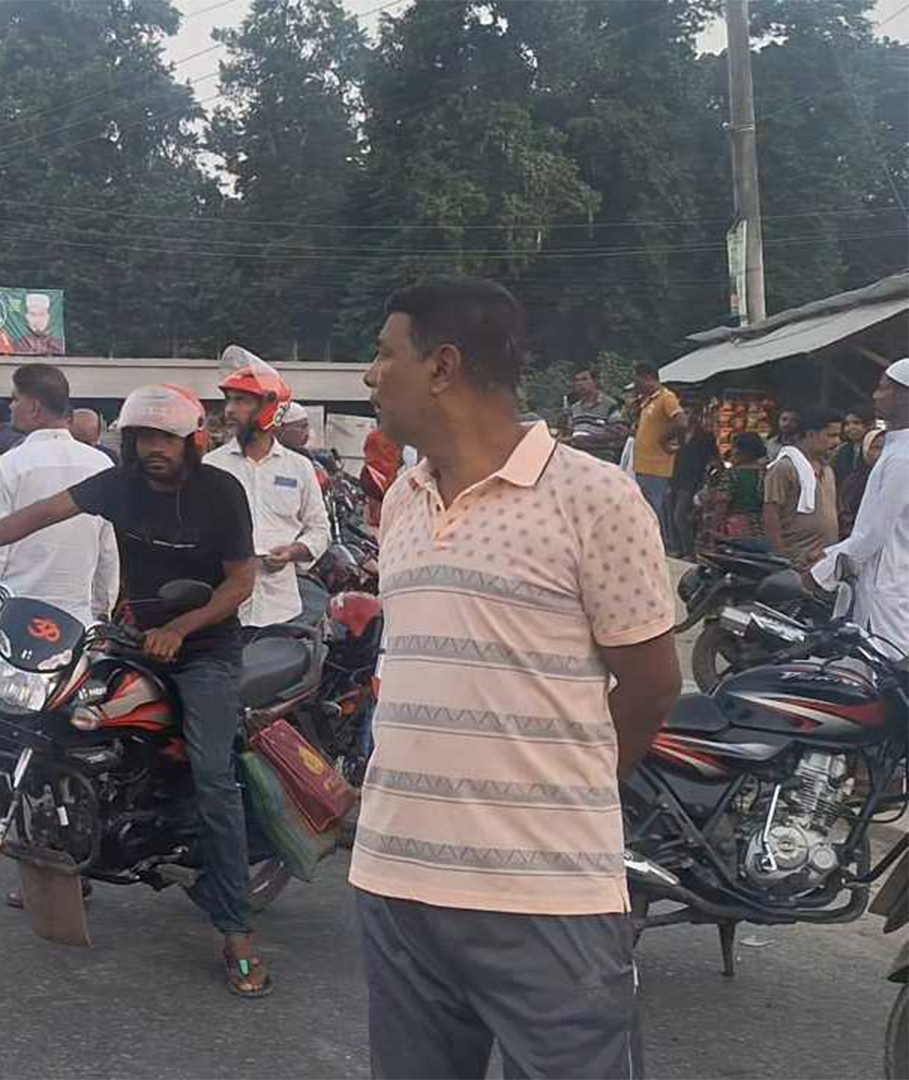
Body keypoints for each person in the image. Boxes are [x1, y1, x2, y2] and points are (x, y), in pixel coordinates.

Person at [353, 277, 681, 1079]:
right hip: (397, 883)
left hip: (547, 898)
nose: (370, 374)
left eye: (385, 354)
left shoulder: (595, 499)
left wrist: (559, 799)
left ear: (443, 367)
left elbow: (650, 686)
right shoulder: (403, 499)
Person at [0, 383, 268, 997]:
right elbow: (45, 511)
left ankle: (237, 930)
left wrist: (181, 628)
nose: (153, 449)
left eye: (165, 438)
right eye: (143, 438)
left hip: (204, 649)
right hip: (131, 636)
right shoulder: (123, 484)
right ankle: (71, 856)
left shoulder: (220, 492)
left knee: (213, 776)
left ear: (193, 441)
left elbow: (239, 584)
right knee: (60, 728)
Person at [0, 364, 119, 629]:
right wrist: (102, 614)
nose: (11, 407)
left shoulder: (12, 464)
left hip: (16, 617)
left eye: (15, 399)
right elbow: (107, 550)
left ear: (33, 407)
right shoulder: (101, 464)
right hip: (77, 621)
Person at [208, 361, 331, 632]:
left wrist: (292, 552)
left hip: (282, 612)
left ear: (269, 408)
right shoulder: (210, 466)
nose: (229, 410)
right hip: (222, 612)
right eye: (228, 400)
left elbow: (320, 529)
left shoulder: (299, 467)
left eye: (241, 401)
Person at [814, 359, 908, 652]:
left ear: (904, 396)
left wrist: (827, 565)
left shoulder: (903, 457)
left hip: (889, 586)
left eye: (883, 388)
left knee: (887, 667)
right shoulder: (896, 448)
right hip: (882, 582)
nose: (876, 395)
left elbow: (876, 533)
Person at [760, 406, 841, 568]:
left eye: (838, 436)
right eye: (831, 435)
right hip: (797, 561)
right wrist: (781, 559)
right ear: (810, 434)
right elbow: (771, 514)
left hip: (825, 560)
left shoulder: (827, 470)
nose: (837, 442)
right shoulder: (784, 468)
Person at [631, 364, 686, 544]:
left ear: (648, 377)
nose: (636, 385)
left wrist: (664, 440)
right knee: (646, 507)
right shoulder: (648, 401)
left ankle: (658, 544)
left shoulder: (666, 397)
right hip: (643, 465)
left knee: (653, 508)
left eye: (637, 381)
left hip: (656, 465)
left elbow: (681, 422)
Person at [701, 431, 768, 546]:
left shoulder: (732, 475)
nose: (732, 452)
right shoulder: (766, 474)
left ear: (744, 452)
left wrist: (713, 530)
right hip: (762, 528)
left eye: (734, 448)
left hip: (735, 529)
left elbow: (721, 504)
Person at [669, 404, 718, 558]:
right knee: (671, 515)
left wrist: (708, 479)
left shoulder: (706, 437)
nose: (685, 415)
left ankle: (689, 551)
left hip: (693, 480)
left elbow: (714, 459)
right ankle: (677, 548)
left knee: (680, 515)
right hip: (674, 477)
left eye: (688, 412)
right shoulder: (677, 433)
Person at [834, 407, 873, 485]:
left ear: (868, 425)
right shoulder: (842, 450)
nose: (850, 428)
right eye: (847, 424)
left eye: (856, 423)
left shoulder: (875, 448)